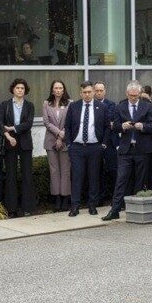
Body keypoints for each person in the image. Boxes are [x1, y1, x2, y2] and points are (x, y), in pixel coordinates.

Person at [102, 81, 152, 221]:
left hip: (142, 148)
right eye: (131, 95)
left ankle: (136, 210)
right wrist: (123, 126)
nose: (133, 98)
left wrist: (142, 126)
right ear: (127, 94)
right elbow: (114, 127)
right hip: (126, 149)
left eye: (136, 95)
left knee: (140, 181)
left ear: (140, 94)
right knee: (121, 180)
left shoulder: (147, 106)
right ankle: (115, 210)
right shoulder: (119, 106)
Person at [64, 81, 110, 216]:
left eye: (90, 92)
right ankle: (75, 206)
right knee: (77, 177)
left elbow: (107, 127)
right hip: (77, 148)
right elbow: (67, 126)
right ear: (81, 93)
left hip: (95, 147)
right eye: (84, 92)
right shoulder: (73, 106)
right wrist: (69, 144)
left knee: (94, 177)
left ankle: (92, 205)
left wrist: (104, 144)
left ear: (94, 92)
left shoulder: (102, 107)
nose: (87, 94)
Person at [0, 78, 36, 217]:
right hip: (10, 142)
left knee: (27, 175)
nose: (20, 90)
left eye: (22, 88)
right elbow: (0, 123)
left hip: (25, 142)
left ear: (25, 90)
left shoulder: (30, 105)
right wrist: (9, 136)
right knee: (11, 175)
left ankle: (28, 208)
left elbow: (29, 123)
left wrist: (13, 128)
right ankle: (12, 209)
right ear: (13, 89)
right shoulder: (5, 105)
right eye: (17, 88)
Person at [42, 80, 71, 211]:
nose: (58, 90)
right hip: (50, 141)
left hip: (65, 141)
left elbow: (70, 122)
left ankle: (65, 198)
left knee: (65, 171)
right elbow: (46, 123)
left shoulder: (70, 103)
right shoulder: (46, 103)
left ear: (63, 90)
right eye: (56, 88)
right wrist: (59, 133)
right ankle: (57, 198)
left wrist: (62, 136)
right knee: (54, 171)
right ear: (52, 90)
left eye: (60, 88)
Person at [93, 81, 119, 203]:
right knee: (97, 172)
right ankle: (99, 198)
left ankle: (116, 198)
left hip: (110, 143)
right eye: (97, 90)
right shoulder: (89, 105)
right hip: (95, 143)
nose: (99, 93)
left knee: (113, 170)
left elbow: (109, 120)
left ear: (105, 91)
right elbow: (105, 122)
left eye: (101, 90)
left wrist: (103, 123)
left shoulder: (111, 104)